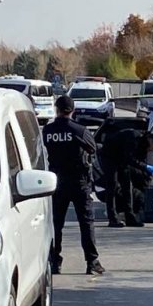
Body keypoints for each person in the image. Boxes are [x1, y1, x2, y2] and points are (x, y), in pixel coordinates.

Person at [43, 95, 105, 275]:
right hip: (79, 181)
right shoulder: (79, 130)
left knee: (56, 223)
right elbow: (92, 148)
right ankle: (92, 261)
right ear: (73, 110)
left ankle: (55, 261)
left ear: (56, 109)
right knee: (86, 222)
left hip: (57, 181)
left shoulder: (48, 130)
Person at [101, 129, 153, 228]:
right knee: (112, 186)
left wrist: (149, 175)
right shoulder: (133, 138)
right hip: (110, 156)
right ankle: (112, 218)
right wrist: (147, 167)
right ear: (151, 141)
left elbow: (140, 162)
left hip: (123, 160)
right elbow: (130, 159)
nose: (152, 151)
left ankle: (130, 217)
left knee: (127, 186)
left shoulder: (144, 146)